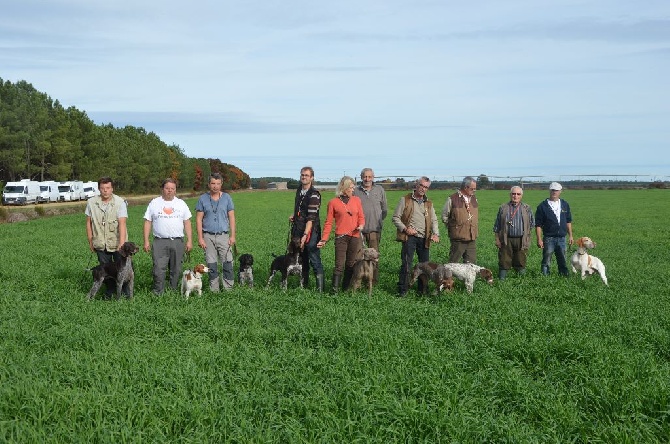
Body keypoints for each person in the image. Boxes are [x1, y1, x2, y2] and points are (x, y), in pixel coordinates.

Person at [143, 178, 193, 294]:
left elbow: (187, 222)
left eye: (172, 189)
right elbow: (148, 222)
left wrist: (190, 240)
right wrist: (146, 240)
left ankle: (173, 291)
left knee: (176, 268)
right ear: (162, 189)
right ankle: (158, 292)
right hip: (160, 241)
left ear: (175, 190)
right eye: (167, 188)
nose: (169, 191)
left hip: (177, 241)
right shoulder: (154, 203)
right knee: (158, 269)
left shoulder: (181, 204)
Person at [392, 176, 440, 296]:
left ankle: (422, 290)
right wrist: (405, 229)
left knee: (425, 266)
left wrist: (435, 234)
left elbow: (434, 220)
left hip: (425, 239)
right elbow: (395, 218)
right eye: (421, 185)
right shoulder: (405, 200)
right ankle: (403, 290)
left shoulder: (428, 203)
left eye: (426, 187)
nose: (423, 189)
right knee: (407, 264)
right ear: (416, 185)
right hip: (410, 238)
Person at [317, 176, 365, 292]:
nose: (353, 190)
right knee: (339, 265)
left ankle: (345, 288)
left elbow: (361, 217)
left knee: (350, 264)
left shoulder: (357, 200)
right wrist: (324, 239)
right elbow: (328, 223)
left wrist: (361, 225)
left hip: (354, 237)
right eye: (351, 188)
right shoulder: (333, 203)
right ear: (345, 188)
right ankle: (335, 291)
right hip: (341, 238)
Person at [85, 177, 128, 297]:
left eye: (108, 188)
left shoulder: (120, 202)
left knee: (122, 270)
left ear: (112, 188)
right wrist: (90, 240)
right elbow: (88, 222)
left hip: (117, 243)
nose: (105, 191)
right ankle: (109, 292)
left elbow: (122, 223)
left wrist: (122, 243)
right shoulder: (91, 202)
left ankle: (125, 293)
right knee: (105, 270)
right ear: (99, 189)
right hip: (100, 242)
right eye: (102, 188)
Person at [195, 173, 236, 292]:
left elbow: (232, 217)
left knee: (227, 263)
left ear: (221, 184)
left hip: (224, 235)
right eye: (213, 183)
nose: (215, 186)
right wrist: (200, 238)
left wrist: (233, 236)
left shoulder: (227, 198)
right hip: (208, 236)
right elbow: (198, 219)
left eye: (218, 184)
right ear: (209, 184)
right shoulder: (202, 199)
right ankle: (215, 290)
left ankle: (229, 289)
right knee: (211, 264)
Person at [289, 166, 324, 292]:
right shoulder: (299, 190)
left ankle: (320, 290)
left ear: (312, 178)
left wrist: (305, 235)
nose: (304, 177)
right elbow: (301, 210)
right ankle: (304, 285)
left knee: (314, 259)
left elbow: (311, 218)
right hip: (298, 229)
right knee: (302, 258)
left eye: (307, 175)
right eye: (302, 175)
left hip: (311, 231)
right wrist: (295, 215)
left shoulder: (314, 194)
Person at [353, 168, 387, 284]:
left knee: (374, 257)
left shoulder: (379, 190)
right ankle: (358, 280)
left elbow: (384, 209)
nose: (367, 179)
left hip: (374, 229)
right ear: (361, 177)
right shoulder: (356, 191)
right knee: (358, 256)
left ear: (373, 177)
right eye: (365, 177)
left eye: (369, 177)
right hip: (358, 230)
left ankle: (373, 281)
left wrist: (377, 221)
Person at [493, 186, 535, 280]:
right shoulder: (503, 207)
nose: (515, 196)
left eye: (518, 194)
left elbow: (531, 224)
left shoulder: (527, 208)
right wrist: (497, 239)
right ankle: (502, 279)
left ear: (521, 196)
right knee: (504, 258)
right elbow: (497, 225)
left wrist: (526, 237)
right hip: (506, 238)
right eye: (513, 194)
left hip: (521, 239)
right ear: (510, 194)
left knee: (520, 259)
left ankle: (521, 280)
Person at [535, 182, 573, 276]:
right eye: (552, 190)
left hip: (562, 238)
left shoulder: (564, 204)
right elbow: (538, 225)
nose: (554, 192)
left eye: (556, 190)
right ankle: (545, 276)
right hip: (549, 238)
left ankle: (564, 276)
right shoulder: (542, 206)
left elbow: (568, 221)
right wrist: (539, 239)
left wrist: (571, 236)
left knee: (563, 259)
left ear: (560, 191)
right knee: (546, 259)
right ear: (549, 190)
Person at [442, 176, 479, 264]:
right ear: (465, 187)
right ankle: (449, 278)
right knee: (453, 263)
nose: (474, 191)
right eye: (472, 189)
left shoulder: (474, 198)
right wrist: (454, 227)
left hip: (471, 237)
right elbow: (444, 216)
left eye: (475, 189)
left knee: (471, 264)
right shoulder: (452, 199)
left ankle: (467, 278)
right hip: (458, 239)